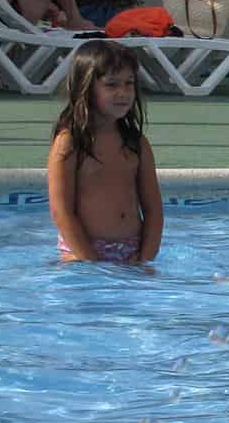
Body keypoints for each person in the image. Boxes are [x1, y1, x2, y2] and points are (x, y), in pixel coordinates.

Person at [47, 40, 162, 265]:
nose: (123, 93)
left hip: (132, 252)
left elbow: (154, 210)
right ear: (86, 88)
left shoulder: (136, 143)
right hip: (81, 252)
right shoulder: (70, 143)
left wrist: (146, 259)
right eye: (111, 85)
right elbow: (62, 212)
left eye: (129, 83)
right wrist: (91, 262)